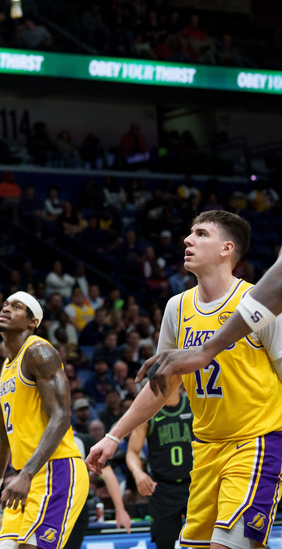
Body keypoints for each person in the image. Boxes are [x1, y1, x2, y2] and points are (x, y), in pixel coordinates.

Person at [93, 211, 282, 549]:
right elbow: (163, 385)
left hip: (258, 443)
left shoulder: (260, 302)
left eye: (200, 234)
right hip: (206, 450)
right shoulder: (176, 309)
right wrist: (114, 435)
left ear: (227, 249)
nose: (187, 240)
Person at [0, 292, 88, 548]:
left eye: (16, 307)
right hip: (25, 477)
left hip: (56, 470)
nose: (6, 309)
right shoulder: (5, 367)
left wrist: (26, 474)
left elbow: (61, 416)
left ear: (32, 321)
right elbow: (2, 437)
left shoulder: (39, 351)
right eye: (4, 305)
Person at [125, 386, 192, 549]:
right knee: (164, 543)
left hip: (195, 484)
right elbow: (132, 452)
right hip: (162, 488)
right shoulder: (148, 413)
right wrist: (138, 472)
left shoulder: (193, 404)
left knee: (206, 541)